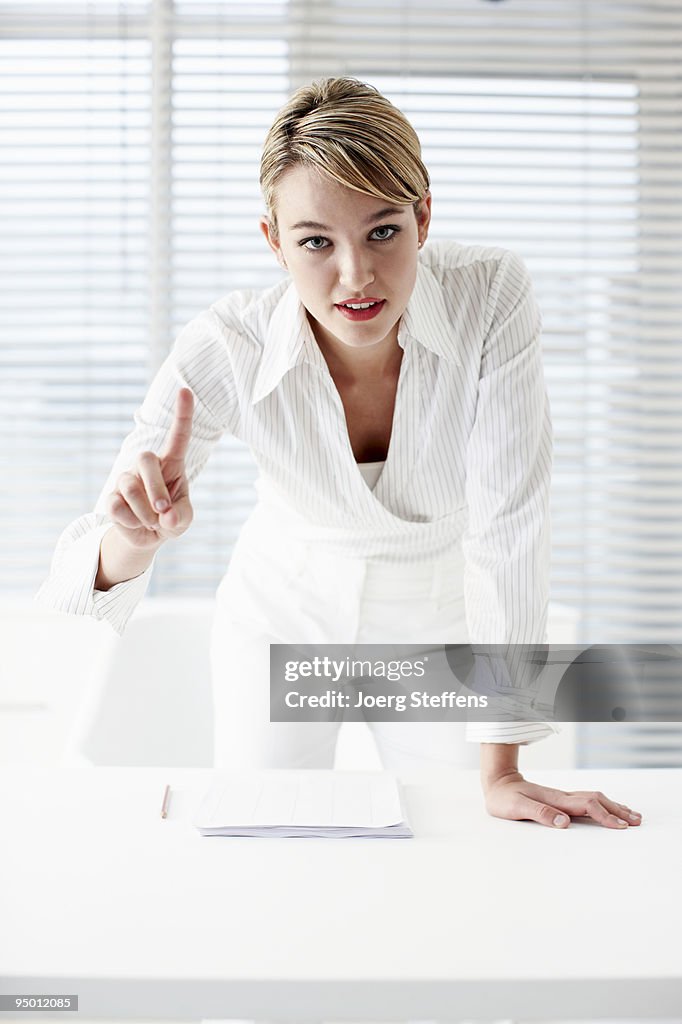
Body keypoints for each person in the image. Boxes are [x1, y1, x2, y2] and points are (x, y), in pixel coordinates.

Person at [37, 76, 641, 831]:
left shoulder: (491, 295)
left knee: (462, 838)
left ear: (424, 216)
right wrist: (132, 540)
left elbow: (509, 525)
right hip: (281, 617)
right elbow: (79, 568)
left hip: (436, 619)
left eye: (382, 231)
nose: (355, 277)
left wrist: (505, 767)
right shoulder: (226, 346)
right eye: (316, 241)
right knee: (267, 845)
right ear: (274, 242)